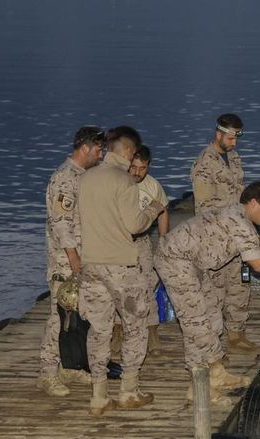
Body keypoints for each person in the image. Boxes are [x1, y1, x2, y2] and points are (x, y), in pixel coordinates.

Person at [154, 182, 260, 405]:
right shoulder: (238, 221)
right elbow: (259, 266)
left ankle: (216, 372)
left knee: (213, 312)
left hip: (195, 263)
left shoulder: (242, 219)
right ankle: (197, 388)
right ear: (253, 203)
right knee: (196, 322)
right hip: (175, 260)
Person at [77, 126, 166, 416]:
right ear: (127, 151)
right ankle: (128, 390)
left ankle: (99, 396)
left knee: (99, 330)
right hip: (121, 266)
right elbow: (135, 225)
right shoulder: (123, 181)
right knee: (135, 327)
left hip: (91, 265)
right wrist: (153, 209)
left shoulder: (86, 178)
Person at [38, 126, 104, 397]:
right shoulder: (65, 178)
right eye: (99, 150)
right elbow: (60, 223)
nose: (101, 155)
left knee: (78, 317)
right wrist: (73, 258)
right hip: (66, 263)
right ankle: (46, 372)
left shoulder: (83, 176)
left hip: (83, 259)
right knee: (59, 318)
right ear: (85, 149)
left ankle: (69, 366)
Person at [190, 113, 258, 353]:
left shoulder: (234, 158)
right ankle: (214, 344)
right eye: (230, 137)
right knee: (215, 292)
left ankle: (237, 334)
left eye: (237, 138)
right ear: (219, 134)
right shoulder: (204, 164)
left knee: (240, 284)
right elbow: (203, 208)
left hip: (238, 235)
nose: (234, 143)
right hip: (216, 238)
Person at [128, 145, 169, 357]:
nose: (137, 172)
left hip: (142, 242)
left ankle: (152, 334)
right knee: (119, 289)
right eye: (133, 167)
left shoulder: (154, 186)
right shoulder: (119, 182)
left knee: (147, 288)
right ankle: (118, 332)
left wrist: (163, 242)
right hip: (119, 242)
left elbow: (162, 212)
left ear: (148, 167)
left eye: (142, 168)